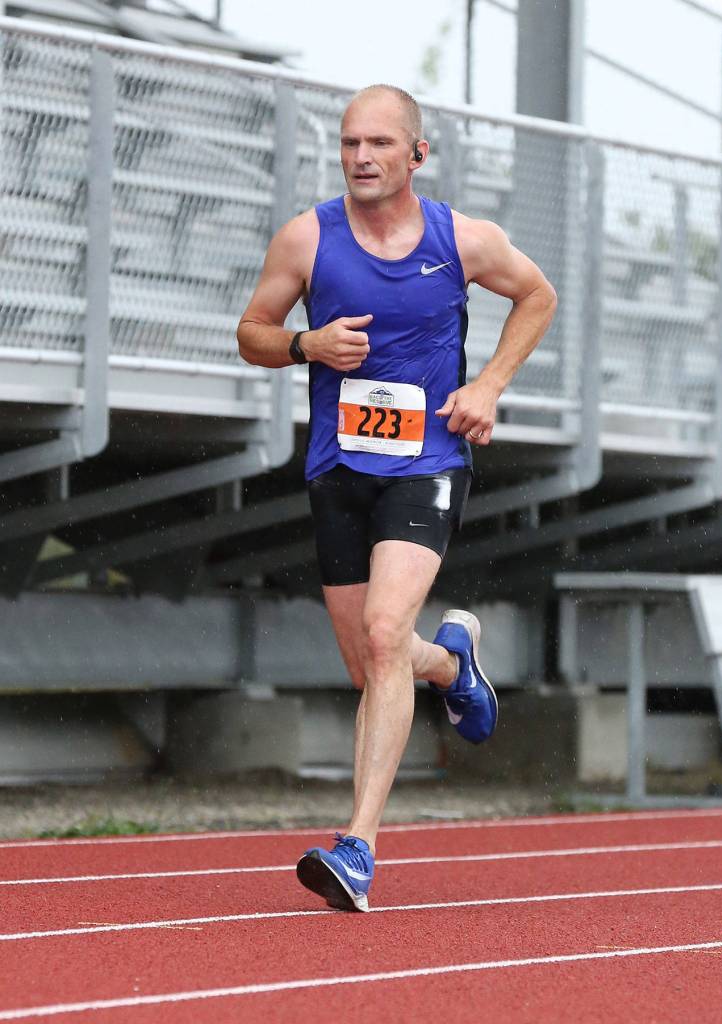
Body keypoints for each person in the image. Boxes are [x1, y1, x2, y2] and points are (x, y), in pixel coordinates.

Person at [237, 84, 557, 913]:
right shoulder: (308, 238)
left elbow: (537, 294)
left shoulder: (461, 240)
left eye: (379, 144)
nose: (361, 158)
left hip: (427, 462)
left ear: (417, 154)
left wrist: (486, 384)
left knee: (384, 635)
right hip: (338, 470)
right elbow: (252, 332)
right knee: (373, 662)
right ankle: (451, 664)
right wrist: (305, 341)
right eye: (349, 144)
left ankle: (357, 847)